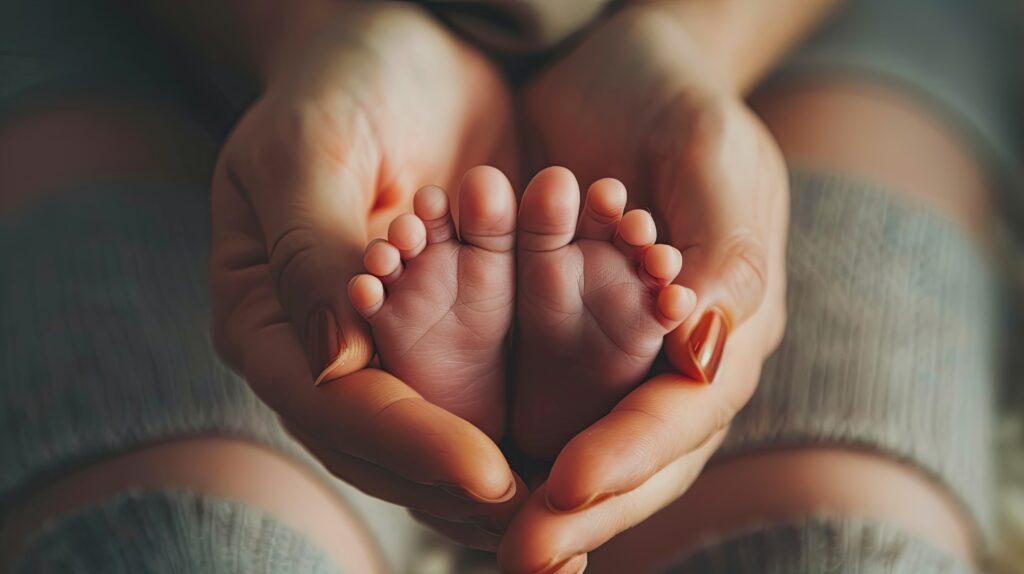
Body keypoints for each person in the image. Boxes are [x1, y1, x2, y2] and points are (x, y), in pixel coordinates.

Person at [0, 1, 1014, 572]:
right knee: (173, 549)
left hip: (798, 29)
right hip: (144, 23)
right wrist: (310, 28)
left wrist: (693, 42)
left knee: (829, 556)